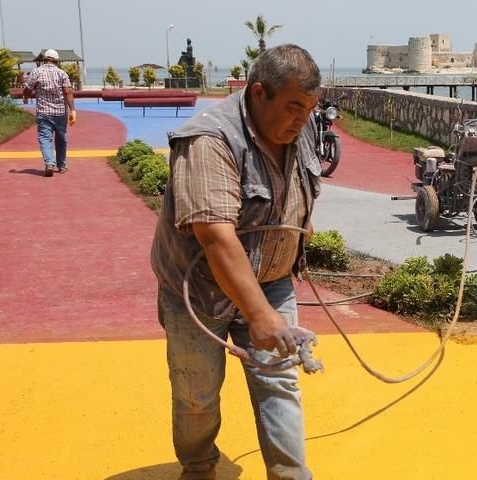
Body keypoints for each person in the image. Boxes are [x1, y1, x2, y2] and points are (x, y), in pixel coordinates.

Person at [150, 44, 322, 480]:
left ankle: (290, 475)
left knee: (278, 382)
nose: (303, 119)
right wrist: (259, 315)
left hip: (273, 279)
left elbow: (299, 185)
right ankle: (199, 464)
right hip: (201, 289)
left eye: (310, 108)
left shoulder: (298, 126)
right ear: (258, 93)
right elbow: (215, 236)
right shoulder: (209, 139)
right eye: (294, 107)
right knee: (197, 394)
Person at [23, 49, 76, 177]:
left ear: (44, 59)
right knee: (61, 138)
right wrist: (72, 110)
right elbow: (68, 92)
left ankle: (49, 164)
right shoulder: (61, 73)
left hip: (44, 112)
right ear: (56, 61)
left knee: (45, 138)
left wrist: (26, 98)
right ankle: (62, 166)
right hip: (60, 112)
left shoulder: (37, 72)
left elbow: (27, 89)